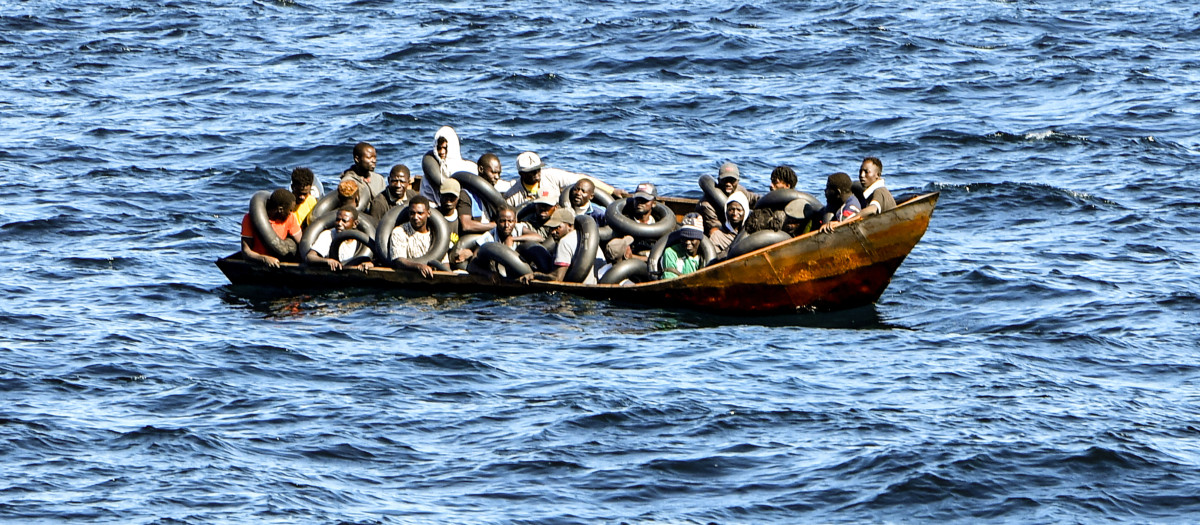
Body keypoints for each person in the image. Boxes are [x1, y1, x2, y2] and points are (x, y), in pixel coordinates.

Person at [503, 151, 626, 207]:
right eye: (531, 171)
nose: (537, 173)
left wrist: (611, 191)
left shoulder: (551, 175)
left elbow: (582, 179)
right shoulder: (513, 195)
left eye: (538, 168)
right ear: (521, 174)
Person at [523, 208, 605, 284]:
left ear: (570, 226)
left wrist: (534, 275)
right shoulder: (585, 237)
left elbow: (557, 278)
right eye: (551, 228)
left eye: (557, 228)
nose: (553, 232)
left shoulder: (564, 242)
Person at [453, 205, 543, 263]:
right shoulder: (489, 237)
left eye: (510, 221)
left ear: (515, 221)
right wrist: (488, 274)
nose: (507, 225)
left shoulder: (518, 228)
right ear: (496, 222)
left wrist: (512, 239)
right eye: (502, 221)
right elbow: (474, 262)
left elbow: (539, 238)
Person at [240, 188, 302, 268]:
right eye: (290, 210)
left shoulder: (291, 218)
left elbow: (300, 241)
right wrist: (264, 258)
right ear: (280, 210)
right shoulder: (249, 218)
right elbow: (246, 251)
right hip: (259, 264)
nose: (291, 213)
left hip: (281, 261)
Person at [697, 162, 758, 237]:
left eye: (732, 180)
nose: (728, 184)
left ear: (737, 181)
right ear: (719, 180)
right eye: (725, 180)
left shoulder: (740, 190)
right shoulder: (707, 205)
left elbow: (754, 198)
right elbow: (715, 228)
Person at [420, 126, 476, 207]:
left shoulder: (469, 168)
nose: (442, 152)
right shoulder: (429, 174)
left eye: (445, 148)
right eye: (439, 148)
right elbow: (426, 199)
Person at [604, 182, 660, 263]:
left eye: (645, 200)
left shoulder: (659, 223)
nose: (640, 203)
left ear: (653, 203)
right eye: (637, 199)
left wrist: (633, 257)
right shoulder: (623, 222)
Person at [306, 206, 374, 271]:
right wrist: (327, 261)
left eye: (344, 221)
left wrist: (369, 263)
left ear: (354, 224)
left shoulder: (361, 240)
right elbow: (310, 256)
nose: (339, 224)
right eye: (337, 220)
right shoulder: (328, 235)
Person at [437, 178, 490, 260]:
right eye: (445, 196)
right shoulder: (434, 216)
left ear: (458, 198)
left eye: (452, 197)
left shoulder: (460, 219)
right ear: (439, 195)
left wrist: (470, 253)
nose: (448, 201)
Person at [387, 195, 436, 279]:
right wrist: (419, 266)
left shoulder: (435, 235)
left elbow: (444, 262)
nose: (415, 217)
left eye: (420, 213)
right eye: (412, 213)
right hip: (407, 280)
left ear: (428, 213)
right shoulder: (399, 231)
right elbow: (399, 260)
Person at [340, 142, 384, 208]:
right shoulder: (348, 181)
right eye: (369, 158)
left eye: (375, 157)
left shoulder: (379, 179)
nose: (374, 160)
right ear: (357, 159)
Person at [662, 213, 705, 279]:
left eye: (692, 239)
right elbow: (669, 280)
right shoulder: (671, 253)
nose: (688, 242)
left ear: (699, 239)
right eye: (684, 239)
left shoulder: (705, 257)